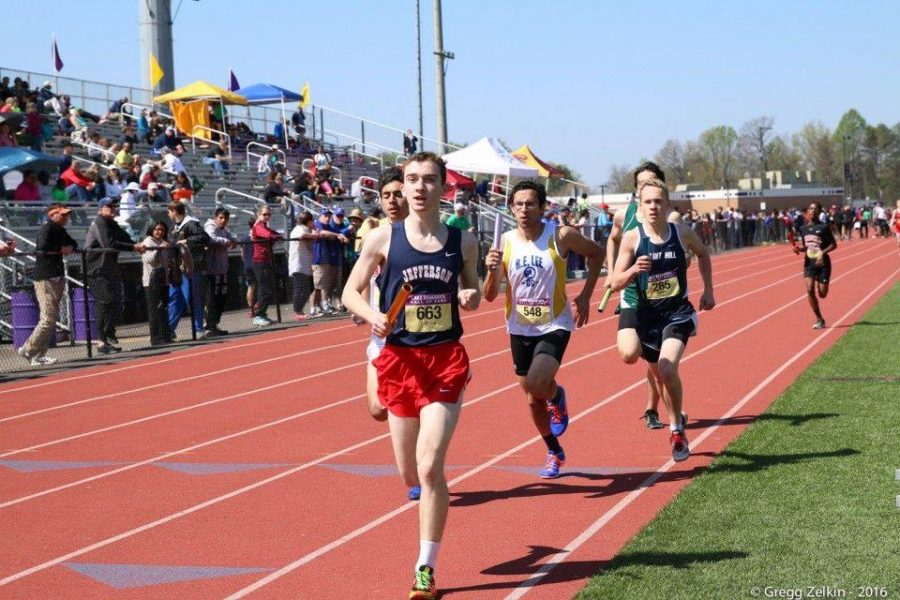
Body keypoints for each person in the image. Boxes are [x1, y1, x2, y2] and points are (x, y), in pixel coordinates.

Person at [342, 152, 481, 600]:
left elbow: (474, 291)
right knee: (409, 474)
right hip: (400, 362)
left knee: (429, 465)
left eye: (428, 180)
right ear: (402, 186)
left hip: (444, 361)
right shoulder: (383, 238)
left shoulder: (464, 240)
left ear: (444, 188)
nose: (418, 188)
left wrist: (469, 292)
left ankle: (425, 568)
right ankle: (419, 497)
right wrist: (373, 314)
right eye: (411, 180)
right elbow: (350, 291)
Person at [483, 180, 602, 478]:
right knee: (532, 397)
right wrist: (489, 270)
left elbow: (597, 254)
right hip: (519, 327)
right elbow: (487, 295)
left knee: (538, 383)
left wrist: (586, 295)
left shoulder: (560, 235)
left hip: (554, 323)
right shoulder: (504, 241)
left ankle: (557, 395)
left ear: (542, 207)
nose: (524, 209)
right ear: (511, 207)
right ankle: (553, 450)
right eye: (519, 204)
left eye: (530, 203)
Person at [610, 177, 715, 462]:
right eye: (648, 202)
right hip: (647, 318)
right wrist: (633, 271)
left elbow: (704, 254)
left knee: (667, 369)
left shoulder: (681, 233)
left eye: (659, 201)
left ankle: (677, 429)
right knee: (659, 375)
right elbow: (614, 281)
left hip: (677, 312)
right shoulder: (633, 238)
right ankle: (675, 417)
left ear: (667, 204)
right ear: (640, 207)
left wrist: (708, 289)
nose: (653, 206)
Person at [601, 161, 678, 430]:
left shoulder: (670, 218)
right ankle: (661, 409)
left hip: (662, 301)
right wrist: (612, 272)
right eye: (642, 185)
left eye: (652, 182)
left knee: (655, 362)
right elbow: (612, 239)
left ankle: (659, 413)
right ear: (636, 191)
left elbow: (687, 252)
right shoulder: (624, 216)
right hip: (633, 294)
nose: (647, 189)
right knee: (630, 353)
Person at [84, 197, 147, 354]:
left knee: (113, 301)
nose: (113, 208)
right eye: (109, 206)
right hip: (96, 270)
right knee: (105, 301)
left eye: (114, 205)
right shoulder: (99, 222)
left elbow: (124, 237)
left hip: (109, 269)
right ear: (101, 208)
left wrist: (138, 243)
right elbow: (109, 244)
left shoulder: (112, 224)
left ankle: (108, 337)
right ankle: (101, 341)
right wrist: (133, 247)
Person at [18, 204, 77, 366]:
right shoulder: (47, 228)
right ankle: (28, 350)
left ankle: (38, 355)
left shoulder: (60, 230)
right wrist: (62, 249)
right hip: (45, 277)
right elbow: (42, 247)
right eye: (63, 215)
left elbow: (74, 244)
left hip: (56, 276)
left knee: (50, 318)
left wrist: (69, 247)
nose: (66, 218)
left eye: (67, 215)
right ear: (53, 215)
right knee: (48, 318)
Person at [167, 202, 210, 337]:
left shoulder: (191, 224)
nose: (168, 215)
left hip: (189, 269)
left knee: (192, 298)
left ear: (174, 211)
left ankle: (198, 328)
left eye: (169, 212)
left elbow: (204, 238)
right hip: (176, 269)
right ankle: (168, 330)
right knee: (175, 299)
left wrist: (187, 241)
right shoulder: (174, 227)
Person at [792, 202, 837, 329]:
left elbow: (833, 244)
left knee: (822, 294)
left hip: (823, 262)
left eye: (815, 209)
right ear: (807, 211)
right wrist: (798, 249)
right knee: (809, 289)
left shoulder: (824, 227)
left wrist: (822, 253)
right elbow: (806, 246)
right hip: (809, 263)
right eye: (810, 208)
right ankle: (819, 318)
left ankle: (820, 280)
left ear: (819, 212)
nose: (812, 211)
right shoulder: (803, 229)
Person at [204, 208, 238, 336]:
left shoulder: (224, 230)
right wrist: (227, 242)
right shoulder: (210, 227)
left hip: (222, 269)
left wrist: (232, 241)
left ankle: (214, 324)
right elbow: (211, 238)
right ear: (215, 217)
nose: (223, 221)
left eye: (225, 219)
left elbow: (232, 237)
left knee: (221, 298)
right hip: (212, 270)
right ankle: (209, 325)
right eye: (221, 218)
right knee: (212, 298)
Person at [141, 220, 174, 346]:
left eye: (162, 230)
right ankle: (155, 338)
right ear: (152, 229)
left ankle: (165, 336)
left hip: (163, 280)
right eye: (157, 229)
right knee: (154, 310)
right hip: (151, 281)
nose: (159, 232)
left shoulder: (163, 242)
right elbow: (149, 259)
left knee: (163, 309)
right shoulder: (148, 241)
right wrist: (158, 250)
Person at [250, 203, 283, 326]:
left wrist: (276, 236)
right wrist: (276, 236)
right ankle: (258, 315)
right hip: (260, 261)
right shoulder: (258, 226)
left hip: (266, 260)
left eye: (269, 215)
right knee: (264, 289)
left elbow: (273, 234)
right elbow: (269, 235)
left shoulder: (264, 226)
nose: (267, 217)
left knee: (268, 289)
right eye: (264, 214)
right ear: (259, 215)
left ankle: (262, 314)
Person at [288, 211, 318, 320]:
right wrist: (314, 234)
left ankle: (299, 310)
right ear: (309, 221)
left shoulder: (307, 229)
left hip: (306, 265)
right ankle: (297, 311)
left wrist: (313, 232)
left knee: (309, 288)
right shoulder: (299, 229)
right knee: (300, 288)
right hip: (298, 264)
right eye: (312, 221)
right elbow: (302, 236)